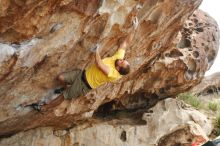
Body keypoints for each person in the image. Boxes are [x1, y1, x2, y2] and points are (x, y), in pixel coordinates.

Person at [31, 17, 139, 112]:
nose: (121, 59)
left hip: (83, 85)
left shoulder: (113, 74)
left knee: (63, 96)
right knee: (61, 77)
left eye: (122, 62)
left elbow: (99, 64)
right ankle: (65, 87)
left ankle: (44, 108)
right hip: (81, 74)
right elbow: (125, 44)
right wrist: (134, 29)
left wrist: (96, 51)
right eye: (123, 60)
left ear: (118, 68)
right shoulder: (118, 60)